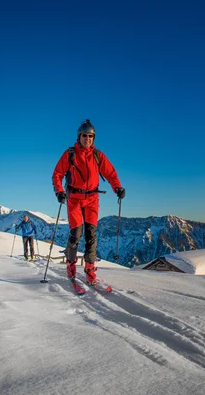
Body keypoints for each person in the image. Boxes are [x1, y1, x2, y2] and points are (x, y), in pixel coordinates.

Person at [52, 119, 125, 285]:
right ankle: (71, 265)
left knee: (91, 235)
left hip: (92, 199)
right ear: (79, 136)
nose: (87, 138)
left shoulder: (98, 156)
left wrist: (117, 188)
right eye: (84, 135)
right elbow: (57, 174)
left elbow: (111, 173)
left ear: (94, 138)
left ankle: (90, 270)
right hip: (75, 199)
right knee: (76, 234)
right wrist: (59, 191)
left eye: (90, 136)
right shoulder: (70, 154)